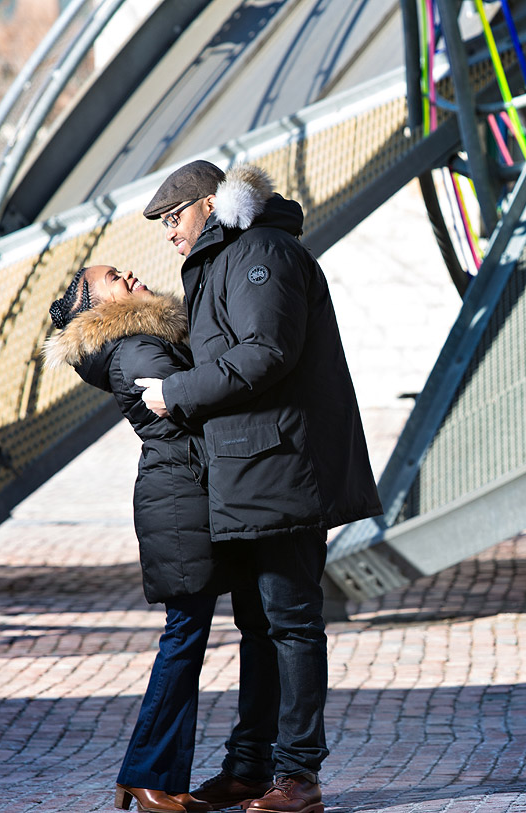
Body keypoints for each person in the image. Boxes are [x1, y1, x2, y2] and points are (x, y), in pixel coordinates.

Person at [135, 161, 382, 813]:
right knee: (258, 625)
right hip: (250, 469)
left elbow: (265, 351)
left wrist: (175, 392)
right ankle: (249, 768)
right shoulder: (233, 255)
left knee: (293, 622)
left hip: (281, 469)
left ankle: (297, 777)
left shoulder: (261, 253)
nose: (168, 234)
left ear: (211, 205)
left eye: (173, 217)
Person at [42, 265, 227, 813]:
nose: (131, 274)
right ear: (98, 310)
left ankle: (152, 778)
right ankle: (147, 778)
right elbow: (194, 408)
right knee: (184, 638)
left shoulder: (133, 342)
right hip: (181, 501)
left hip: (180, 497)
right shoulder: (135, 349)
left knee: (187, 637)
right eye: (115, 279)